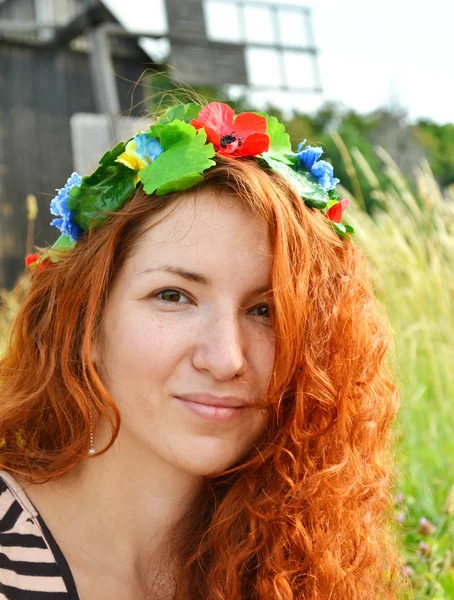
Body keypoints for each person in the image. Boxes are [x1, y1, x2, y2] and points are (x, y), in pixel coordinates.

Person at [0, 102, 403, 599]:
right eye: (173, 296)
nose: (227, 358)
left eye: (266, 310)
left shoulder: (294, 565)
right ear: (84, 320)